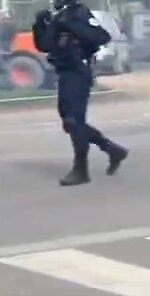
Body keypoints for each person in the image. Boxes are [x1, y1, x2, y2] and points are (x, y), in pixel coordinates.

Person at [33, 0, 128, 186]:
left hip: (78, 71)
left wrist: (71, 25)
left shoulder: (78, 12)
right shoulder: (60, 16)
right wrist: (39, 25)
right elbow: (45, 46)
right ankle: (112, 150)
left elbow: (101, 36)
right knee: (70, 122)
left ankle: (81, 170)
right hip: (65, 72)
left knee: (74, 121)